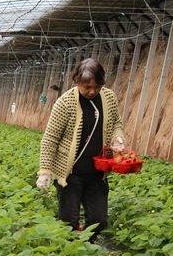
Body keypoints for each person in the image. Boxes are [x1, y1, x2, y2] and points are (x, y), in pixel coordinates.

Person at [36, 58, 125, 237]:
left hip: (98, 172)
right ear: (77, 81)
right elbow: (50, 138)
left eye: (97, 86)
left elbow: (116, 122)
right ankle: (70, 255)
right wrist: (45, 171)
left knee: (99, 220)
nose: (93, 91)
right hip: (70, 174)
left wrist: (118, 139)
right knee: (69, 221)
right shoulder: (65, 103)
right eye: (87, 87)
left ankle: (86, 247)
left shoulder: (109, 97)